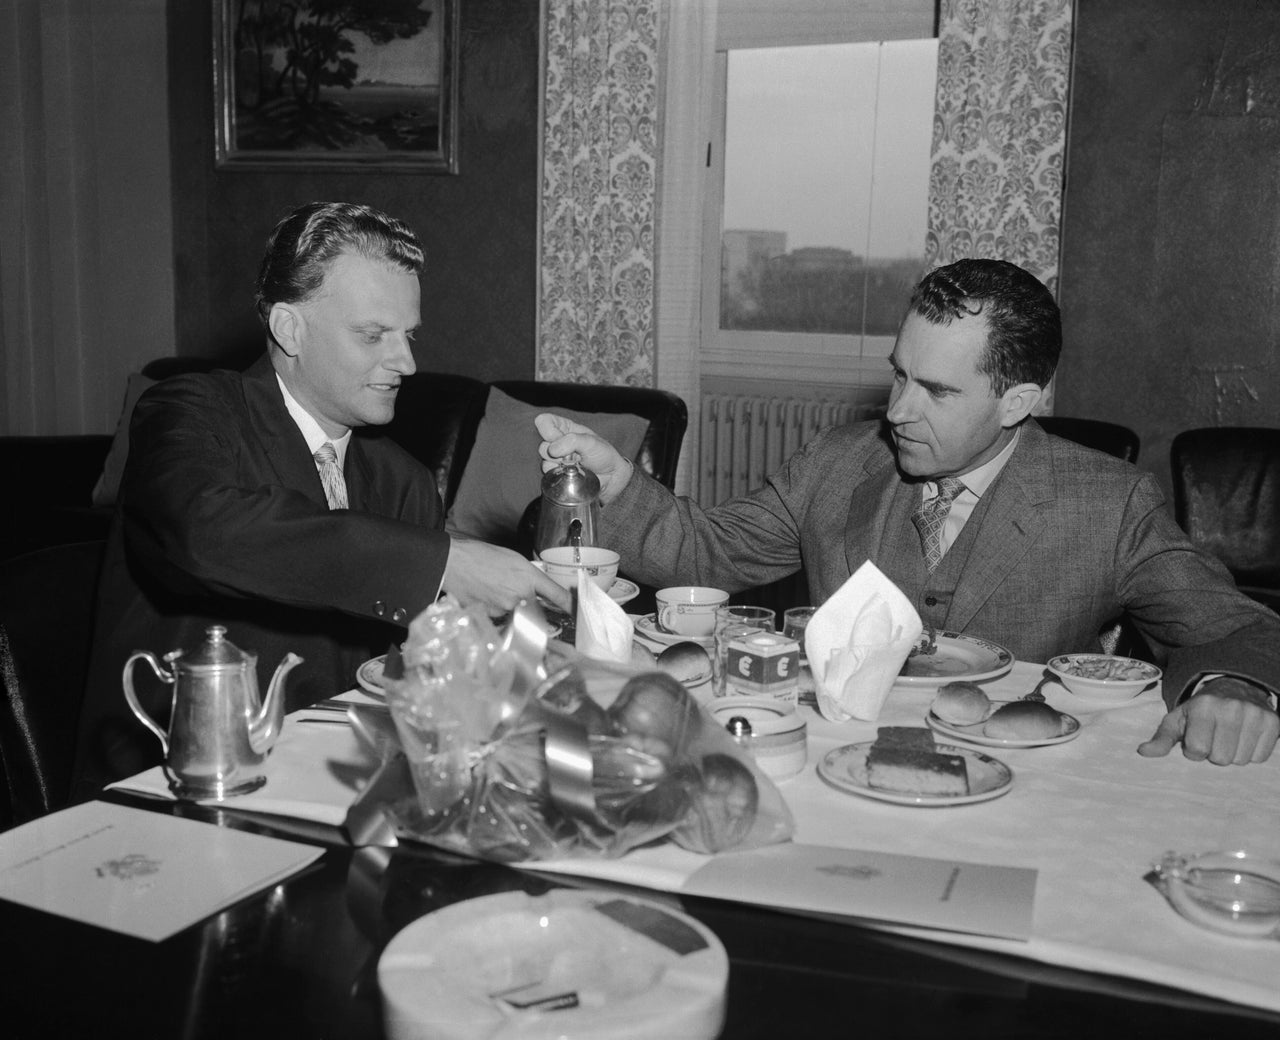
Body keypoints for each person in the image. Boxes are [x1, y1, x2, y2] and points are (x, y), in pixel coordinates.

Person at [537, 258, 1280, 767]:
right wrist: (615, 483)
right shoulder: (840, 461)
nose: (897, 411)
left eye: (937, 390)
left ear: (1017, 401)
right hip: (836, 767)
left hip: (1013, 788)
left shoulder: (1108, 504)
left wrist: (1233, 688)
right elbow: (707, 553)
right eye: (898, 375)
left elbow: (1242, 627)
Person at [71, 201, 569, 798]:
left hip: (338, 785)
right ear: (289, 328)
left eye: (408, 335)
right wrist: (440, 563)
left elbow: (418, 670)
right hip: (180, 792)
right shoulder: (192, 412)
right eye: (373, 335)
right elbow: (202, 532)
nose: (406, 362)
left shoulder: (402, 480)